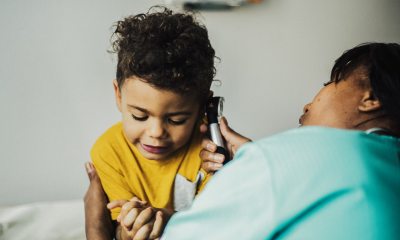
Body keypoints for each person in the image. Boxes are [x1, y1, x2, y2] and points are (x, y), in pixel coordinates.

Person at [86, 42, 400, 239]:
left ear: (370, 98)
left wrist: (95, 226)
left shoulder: (289, 156)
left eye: (330, 83)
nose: (307, 105)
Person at [84, 6, 216, 240]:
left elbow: (219, 223)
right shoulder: (109, 152)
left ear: (203, 107)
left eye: (176, 120)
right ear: (118, 95)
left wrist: (168, 220)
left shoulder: (211, 151)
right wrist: (129, 230)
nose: (155, 133)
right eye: (139, 116)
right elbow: (118, 229)